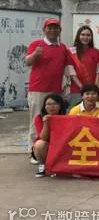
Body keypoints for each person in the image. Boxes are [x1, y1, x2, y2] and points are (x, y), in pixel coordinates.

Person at [26, 18, 75, 148]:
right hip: (38, 89)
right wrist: (35, 54)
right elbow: (27, 62)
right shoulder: (36, 44)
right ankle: (33, 150)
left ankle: (51, 148)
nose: (52, 30)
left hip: (56, 91)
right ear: (44, 30)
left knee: (54, 121)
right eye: (50, 28)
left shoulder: (63, 48)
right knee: (36, 120)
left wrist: (68, 86)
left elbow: (69, 69)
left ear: (60, 30)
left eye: (55, 28)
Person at [67, 25, 99, 108]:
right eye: (83, 35)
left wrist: (94, 87)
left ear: (91, 37)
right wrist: (82, 87)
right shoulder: (71, 51)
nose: (85, 37)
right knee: (75, 112)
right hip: (76, 89)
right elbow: (71, 72)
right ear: (78, 36)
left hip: (92, 90)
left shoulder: (96, 52)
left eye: (88, 35)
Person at [32, 94, 67, 177]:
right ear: (44, 106)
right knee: (40, 144)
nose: (51, 107)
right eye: (48, 104)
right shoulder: (39, 118)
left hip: (61, 146)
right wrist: (46, 123)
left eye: (54, 104)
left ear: (60, 105)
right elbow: (43, 137)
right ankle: (43, 165)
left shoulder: (66, 117)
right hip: (46, 147)